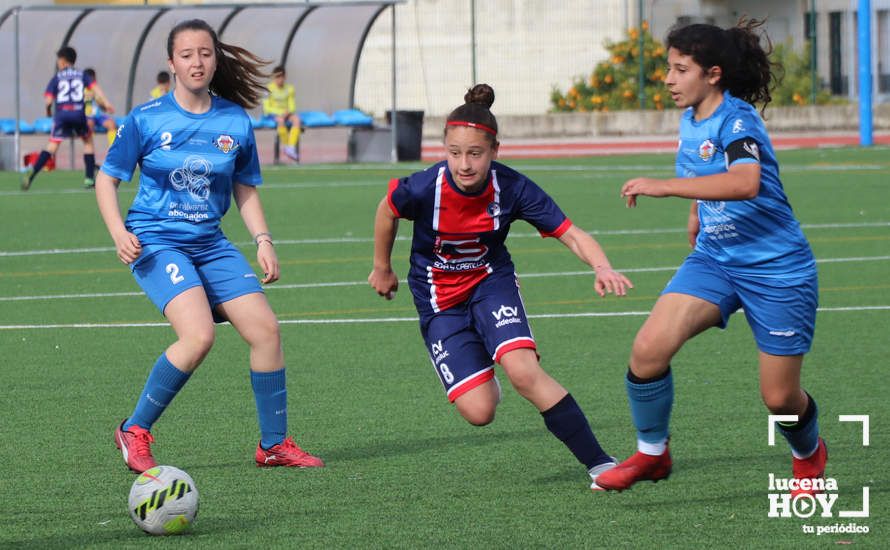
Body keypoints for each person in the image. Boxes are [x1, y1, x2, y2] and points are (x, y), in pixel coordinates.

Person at [595, 19, 826, 493]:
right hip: (716, 260)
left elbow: (745, 181)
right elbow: (708, 167)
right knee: (647, 351)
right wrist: (698, 213)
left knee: (780, 398)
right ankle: (652, 456)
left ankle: (808, 454)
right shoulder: (691, 118)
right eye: (668, 68)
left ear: (713, 74)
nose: (668, 79)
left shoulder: (739, 120)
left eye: (680, 70)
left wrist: (667, 188)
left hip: (776, 267)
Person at [368, 84, 633, 491]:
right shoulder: (425, 187)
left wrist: (602, 265)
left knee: (525, 374)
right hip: (439, 300)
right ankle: (482, 357)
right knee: (480, 411)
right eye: (455, 153)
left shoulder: (513, 188)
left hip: (491, 283)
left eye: (475, 153)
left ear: (495, 150)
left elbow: (571, 232)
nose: (464, 164)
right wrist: (381, 267)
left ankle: (600, 464)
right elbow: (387, 211)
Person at [95, 18, 323, 473]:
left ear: (215, 59)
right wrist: (120, 232)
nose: (197, 62)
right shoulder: (146, 118)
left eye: (205, 53)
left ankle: (273, 445)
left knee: (266, 331)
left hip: (210, 243)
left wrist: (263, 240)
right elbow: (107, 179)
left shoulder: (234, 119)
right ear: (171, 64)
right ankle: (134, 429)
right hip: (156, 241)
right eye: (186, 55)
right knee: (198, 336)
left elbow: (244, 187)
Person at [22, 46, 114, 191]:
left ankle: (32, 174)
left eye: (58, 60)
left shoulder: (57, 77)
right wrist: (107, 103)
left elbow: (48, 101)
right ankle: (89, 179)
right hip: (78, 113)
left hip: (62, 114)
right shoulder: (82, 74)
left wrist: (47, 111)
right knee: (88, 142)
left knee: (52, 146)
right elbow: (95, 88)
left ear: (63, 61)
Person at [262, 65, 301, 162]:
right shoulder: (268, 89)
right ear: (274, 77)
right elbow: (266, 108)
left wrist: (289, 111)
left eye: (281, 77)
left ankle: (291, 147)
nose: (279, 79)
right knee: (280, 120)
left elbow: (292, 105)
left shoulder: (289, 88)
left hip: (286, 113)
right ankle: (286, 145)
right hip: (272, 114)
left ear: (284, 77)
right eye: (277, 77)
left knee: (297, 119)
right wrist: (280, 113)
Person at [83, 68, 118, 147]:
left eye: (94, 79)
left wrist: (106, 107)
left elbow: (101, 106)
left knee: (111, 124)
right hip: (87, 116)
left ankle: (113, 148)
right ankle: (89, 147)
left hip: (98, 116)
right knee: (89, 124)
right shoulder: (82, 90)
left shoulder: (96, 90)